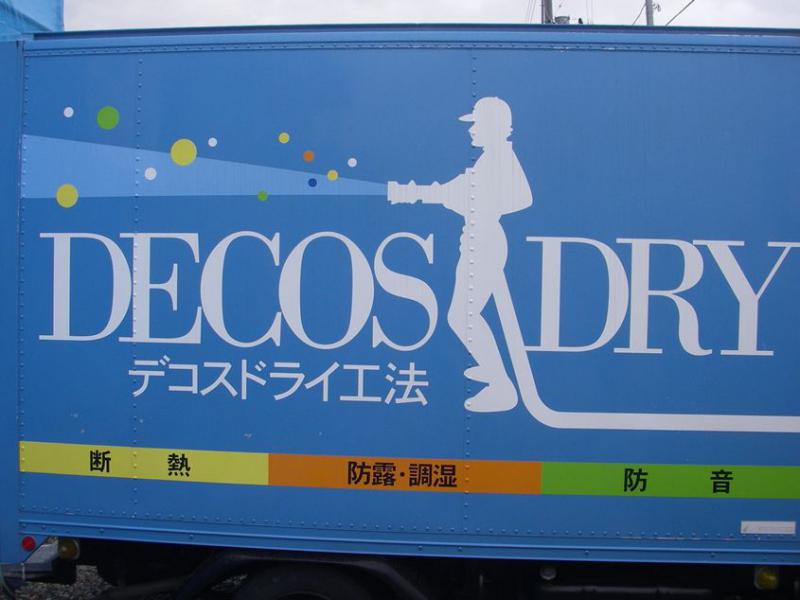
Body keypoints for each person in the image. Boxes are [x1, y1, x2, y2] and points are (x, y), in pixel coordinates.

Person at [388, 97, 533, 412]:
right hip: (477, 240)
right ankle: (489, 365)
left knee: (462, 317)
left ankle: (501, 387)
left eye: (477, 124)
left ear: (495, 127)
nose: (472, 130)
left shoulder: (499, 158)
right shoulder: (489, 159)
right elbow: (455, 192)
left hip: (486, 242)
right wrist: (416, 193)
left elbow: (521, 198)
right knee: (467, 315)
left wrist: (476, 200)